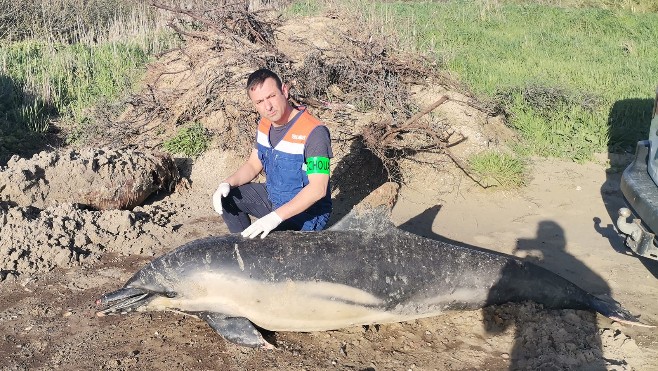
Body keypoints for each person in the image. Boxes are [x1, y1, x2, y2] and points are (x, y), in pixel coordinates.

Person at [212, 68, 332, 239]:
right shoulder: (265, 125)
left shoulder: (314, 132)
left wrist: (275, 217)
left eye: (271, 96)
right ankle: (242, 251)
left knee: (268, 246)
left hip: (306, 217)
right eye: (259, 101)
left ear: (284, 90)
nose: (267, 107)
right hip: (274, 197)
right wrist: (226, 183)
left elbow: (318, 189)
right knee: (227, 197)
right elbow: (253, 165)